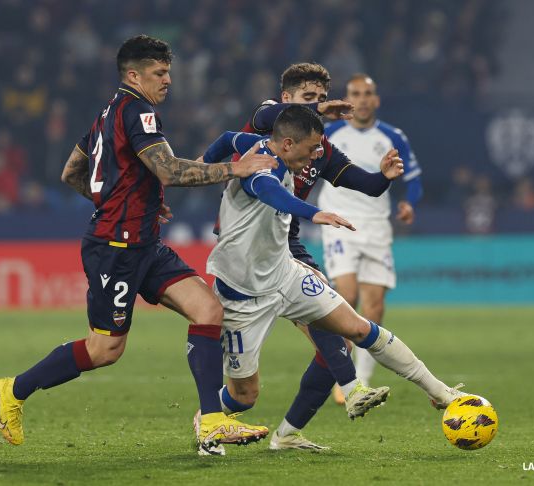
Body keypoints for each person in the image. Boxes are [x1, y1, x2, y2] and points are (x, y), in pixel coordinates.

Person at [0, 35, 277, 449]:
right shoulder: (138, 111)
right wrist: (237, 167)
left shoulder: (106, 113)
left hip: (143, 240)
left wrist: (128, 198)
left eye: (168, 72)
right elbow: (169, 171)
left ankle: (213, 419)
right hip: (116, 248)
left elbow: (72, 172)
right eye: (159, 73)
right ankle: (13, 390)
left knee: (208, 309)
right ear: (133, 75)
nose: (168, 80)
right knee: (105, 350)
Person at [202, 105, 468, 454]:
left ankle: (440, 392)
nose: (316, 155)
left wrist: (204, 166)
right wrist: (316, 213)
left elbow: (224, 139)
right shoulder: (259, 165)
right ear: (285, 143)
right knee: (245, 395)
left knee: (357, 328)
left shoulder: (269, 145)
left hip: (285, 272)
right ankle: (207, 419)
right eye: (311, 148)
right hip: (242, 293)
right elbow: (272, 193)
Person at [199, 63, 405, 453]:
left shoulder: (320, 148)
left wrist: (384, 176)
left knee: (334, 341)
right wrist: (203, 168)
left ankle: (290, 431)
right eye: (308, 99)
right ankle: (350, 388)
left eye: (321, 99)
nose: (317, 105)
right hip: (250, 250)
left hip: (286, 244)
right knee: (325, 329)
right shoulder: (266, 125)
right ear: (286, 99)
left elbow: (367, 185)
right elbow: (234, 134)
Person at [318, 73, 423, 398]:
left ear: (376, 100)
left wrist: (409, 202)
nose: (362, 99)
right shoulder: (329, 132)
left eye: (368, 94)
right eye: (355, 94)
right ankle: (343, 376)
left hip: (377, 226)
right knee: (346, 296)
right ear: (347, 99)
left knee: (374, 304)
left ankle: (361, 378)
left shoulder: (393, 136)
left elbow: (415, 178)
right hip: (340, 222)